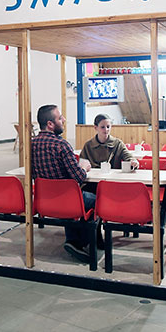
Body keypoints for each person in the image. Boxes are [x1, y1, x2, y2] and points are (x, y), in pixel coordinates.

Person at [32, 104, 94, 263]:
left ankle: (74, 240)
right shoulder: (62, 145)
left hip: (44, 202)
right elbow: (78, 177)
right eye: (60, 118)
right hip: (67, 201)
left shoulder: (31, 145)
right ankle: (83, 242)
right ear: (50, 124)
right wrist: (84, 167)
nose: (64, 120)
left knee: (75, 201)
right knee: (97, 199)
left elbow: (32, 174)